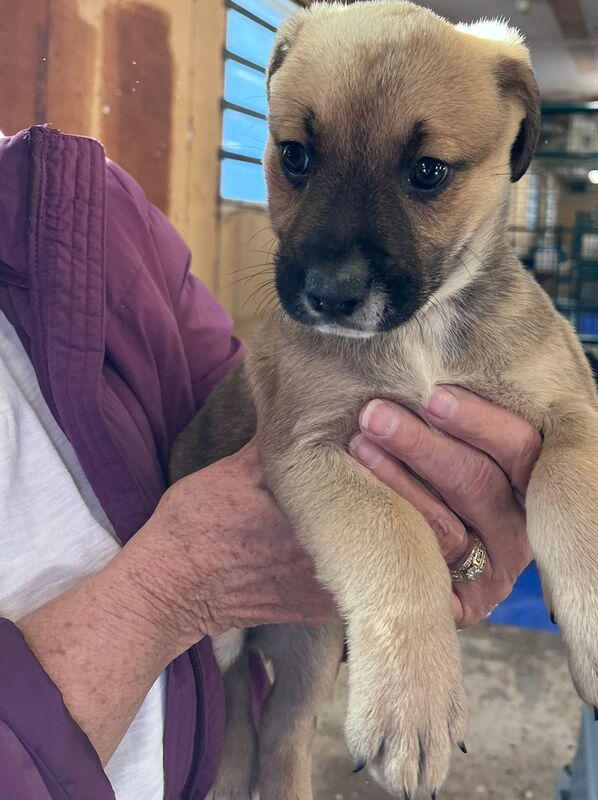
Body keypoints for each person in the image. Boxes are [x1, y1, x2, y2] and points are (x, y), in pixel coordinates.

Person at [0, 125, 541, 799]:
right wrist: (168, 591)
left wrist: (447, 538)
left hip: (219, 723)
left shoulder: (78, 199)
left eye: (426, 174)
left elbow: (239, 401)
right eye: (298, 160)